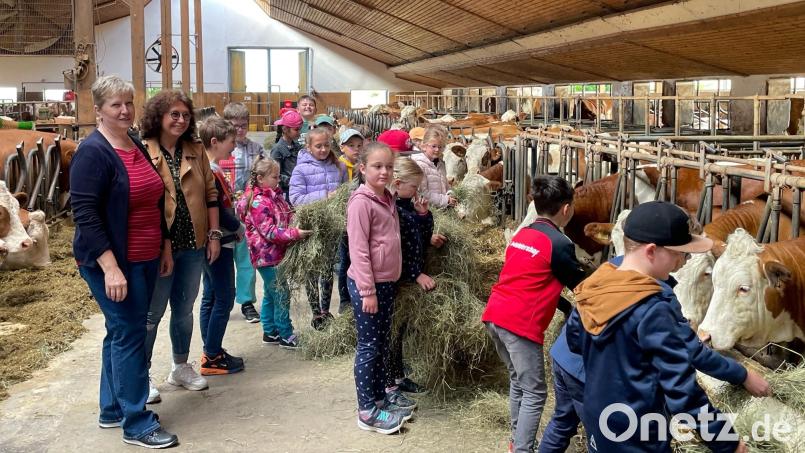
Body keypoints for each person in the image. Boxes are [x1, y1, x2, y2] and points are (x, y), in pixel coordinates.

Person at [540, 253, 770, 453]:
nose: (685, 260)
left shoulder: (614, 267)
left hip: (565, 357)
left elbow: (576, 334)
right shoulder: (655, 296)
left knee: (563, 422)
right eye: (683, 253)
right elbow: (687, 369)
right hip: (593, 378)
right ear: (657, 251)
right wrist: (741, 374)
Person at [566, 201, 748, 453]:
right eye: (679, 253)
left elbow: (574, 339)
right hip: (637, 429)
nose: (683, 261)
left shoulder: (595, 285)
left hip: (599, 416)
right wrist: (727, 442)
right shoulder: (654, 309)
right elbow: (683, 391)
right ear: (651, 251)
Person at [70, 75, 178, 448]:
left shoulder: (133, 142)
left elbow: (154, 200)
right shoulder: (92, 153)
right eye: (116, 104)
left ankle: (112, 408)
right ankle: (137, 422)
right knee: (130, 332)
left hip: (145, 256)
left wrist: (164, 245)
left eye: (129, 102)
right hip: (113, 261)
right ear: (98, 109)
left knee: (120, 331)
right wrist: (111, 268)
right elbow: (85, 216)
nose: (125, 110)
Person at [481, 175, 585, 453]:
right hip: (519, 325)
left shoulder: (523, 234)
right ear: (566, 209)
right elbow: (580, 286)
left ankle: (517, 442)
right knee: (535, 393)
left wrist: (565, 308)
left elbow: (532, 278)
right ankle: (523, 449)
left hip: (495, 315)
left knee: (518, 381)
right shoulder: (559, 243)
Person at [142, 90, 219, 401]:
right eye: (174, 114)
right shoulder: (143, 149)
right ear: (158, 116)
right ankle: (142, 374)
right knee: (152, 313)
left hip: (193, 244)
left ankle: (180, 366)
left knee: (184, 309)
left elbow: (211, 193)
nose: (181, 120)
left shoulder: (195, 149)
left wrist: (214, 234)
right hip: (159, 247)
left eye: (186, 115)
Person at [347, 142, 412, 434]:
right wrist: (368, 291)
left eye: (389, 166)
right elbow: (359, 251)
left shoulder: (387, 197)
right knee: (369, 347)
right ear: (362, 168)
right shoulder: (361, 203)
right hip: (368, 286)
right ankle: (366, 411)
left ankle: (379, 400)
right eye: (377, 166)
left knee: (381, 343)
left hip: (385, 282)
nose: (384, 171)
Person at [237, 157, 310, 349]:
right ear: (260, 178)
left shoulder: (274, 197)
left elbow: (286, 215)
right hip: (267, 256)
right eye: (274, 177)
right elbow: (269, 232)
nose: (278, 180)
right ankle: (286, 334)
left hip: (275, 254)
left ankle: (270, 331)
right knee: (282, 293)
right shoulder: (259, 202)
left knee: (271, 293)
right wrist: (295, 234)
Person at [197, 117, 245, 375]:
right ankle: (212, 355)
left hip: (215, 241)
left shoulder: (209, 167)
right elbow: (217, 207)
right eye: (231, 142)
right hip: (219, 242)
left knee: (211, 295)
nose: (234, 147)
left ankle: (210, 349)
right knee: (224, 297)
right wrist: (238, 226)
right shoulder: (210, 171)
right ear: (215, 142)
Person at [385, 157, 435, 397]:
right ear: (398, 183)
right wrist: (416, 274)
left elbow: (419, 238)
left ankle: (398, 376)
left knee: (400, 328)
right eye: (414, 186)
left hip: (405, 278)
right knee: (391, 331)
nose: (417, 191)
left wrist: (424, 216)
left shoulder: (406, 206)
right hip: (396, 279)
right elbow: (397, 251)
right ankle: (391, 384)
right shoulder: (392, 210)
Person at [289, 128, 348, 328]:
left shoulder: (339, 166)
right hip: (311, 227)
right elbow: (296, 199)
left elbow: (345, 194)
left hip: (331, 225)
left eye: (326, 145)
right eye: (318, 146)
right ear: (308, 147)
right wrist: (324, 196)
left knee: (327, 268)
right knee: (313, 269)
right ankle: (316, 313)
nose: (323, 149)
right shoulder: (301, 170)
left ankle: (325, 310)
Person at [223, 102, 263, 323]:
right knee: (223, 259)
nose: (239, 129)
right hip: (222, 211)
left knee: (246, 258)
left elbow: (260, 177)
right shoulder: (218, 148)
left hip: (246, 211)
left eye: (243, 125)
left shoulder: (256, 149)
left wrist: (249, 195)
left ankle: (247, 301)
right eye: (234, 125)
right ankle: (223, 300)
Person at [336, 128, 364, 314]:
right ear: (342, 147)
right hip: (344, 220)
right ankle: (344, 299)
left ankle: (358, 295)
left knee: (358, 258)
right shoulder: (339, 166)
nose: (356, 149)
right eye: (351, 145)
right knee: (345, 260)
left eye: (359, 145)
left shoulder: (364, 166)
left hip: (360, 217)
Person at [411, 126, 457, 208]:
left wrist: (450, 194)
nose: (437, 150)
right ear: (424, 146)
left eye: (440, 147)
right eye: (434, 146)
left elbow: (446, 185)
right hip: (427, 209)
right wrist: (445, 200)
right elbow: (422, 193)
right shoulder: (419, 165)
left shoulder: (440, 164)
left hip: (443, 208)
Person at [270, 109, 304, 200]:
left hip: (299, 188)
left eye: (299, 129)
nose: (299, 132)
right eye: (296, 129)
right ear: (285, 129)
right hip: (286, 192)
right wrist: (292, 180)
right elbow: (275, 173)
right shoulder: (277, 149)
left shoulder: (297, 146)